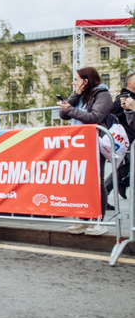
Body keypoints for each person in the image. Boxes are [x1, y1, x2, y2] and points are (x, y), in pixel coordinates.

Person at [57, 67, 112, 236]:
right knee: (80, 182)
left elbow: (94, 117)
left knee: (97, 181)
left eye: (76, 79)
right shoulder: (81, 95)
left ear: (85, 81)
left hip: (95, 142)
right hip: (79, 143)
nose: (73, 82)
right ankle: (83, 220)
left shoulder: (102, 95)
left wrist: (70, 109)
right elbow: (63, 114)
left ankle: (98, 221)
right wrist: (74, 95)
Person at [106, 72, 135, 201]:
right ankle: (118, 186)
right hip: (127, 139)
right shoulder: (123, 98)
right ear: (129, 83)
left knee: (124, 168)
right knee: (124, 167)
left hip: (130, 138)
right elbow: (112, 115)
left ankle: (107, 191)